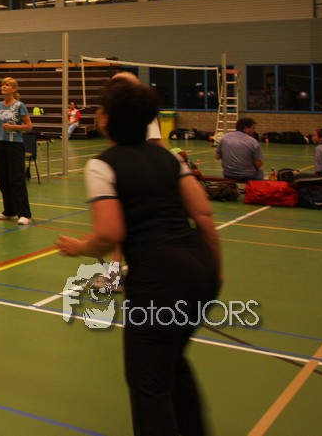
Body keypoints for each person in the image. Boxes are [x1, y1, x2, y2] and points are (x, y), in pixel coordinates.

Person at [56, 76, 221, 436]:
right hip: (201, 272)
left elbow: (110, 233)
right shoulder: (169, 158)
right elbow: (203, 213)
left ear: (105, 118)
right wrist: (216, 270)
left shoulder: (103, 165)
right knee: (172, 363)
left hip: (158, 282)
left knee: (148, 385)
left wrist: (78, 248)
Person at [0, 77, 33, 225]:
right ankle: (9, 210)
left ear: (14, 89)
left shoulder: (19, 106)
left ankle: (24, 213)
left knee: (17, 179)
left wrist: (14, 127)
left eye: (7, 85)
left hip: (15, 145)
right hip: (0, 144)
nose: (4, 87)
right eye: (3, 85)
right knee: (3, 179)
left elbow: (29, 126)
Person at [214, 118, 263, 182]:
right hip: (247, 176)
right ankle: (256, 187)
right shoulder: (253, 142)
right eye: (253, 128)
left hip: (228, 174)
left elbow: (217, 157)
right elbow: (258, 164)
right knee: (260, 170)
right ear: (246, 129)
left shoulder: (224, 137)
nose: (254, 131)